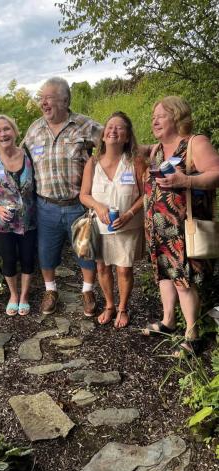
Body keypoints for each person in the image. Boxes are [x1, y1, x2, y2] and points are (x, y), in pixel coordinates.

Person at [143, 96, 219, 355]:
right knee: (164, 275)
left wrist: (185, 180)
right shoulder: (156, 150)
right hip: (159, 229)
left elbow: (216, 173)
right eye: (153, 116)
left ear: (177, 116)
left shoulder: (195, 143)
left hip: (183, 230)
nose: (154, 120)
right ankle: (168, 321)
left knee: (184, 281)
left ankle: (193, 335)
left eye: (161, 115)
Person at [23, 77, 102, 316]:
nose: (43, 103)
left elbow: (114, 143)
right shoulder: (35, 129)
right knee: (46, 251)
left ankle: (88, 291)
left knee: (86, 251)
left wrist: (146, 152)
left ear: (65, 100)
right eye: (41, 98)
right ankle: (51, 290)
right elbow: (18, 156)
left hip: (78, 204)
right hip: (46, 205)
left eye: (49, 98)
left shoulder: (84, 125)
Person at [80, 112, 145, 328]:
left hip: (128, 225)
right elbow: (84, 195)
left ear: (127, 137)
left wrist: (129, 214)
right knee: (102, 268)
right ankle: (109, 305)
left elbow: (147, 194)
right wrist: (98, 206)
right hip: (100, 225)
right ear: (103, 134)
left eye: (119, 128)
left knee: (124, 269)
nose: (113, 131)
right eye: (110, 127)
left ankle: (123, 307)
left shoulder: (135, 162)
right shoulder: (93, 162)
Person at [0, 115, 36, 316]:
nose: (3, 134)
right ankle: (13, 295)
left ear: (15, 131)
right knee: (9, 259)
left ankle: (24, 297)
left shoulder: (28, 156)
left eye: (7, 129)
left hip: (28, 220)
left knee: (28, 258)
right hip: (2, 222)